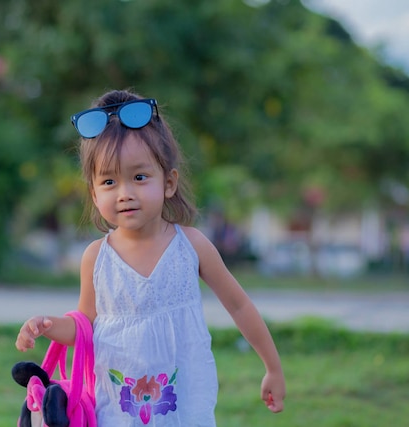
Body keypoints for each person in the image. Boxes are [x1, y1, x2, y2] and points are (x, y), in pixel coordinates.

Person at [16, 89, 286, 426]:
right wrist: (48, 325)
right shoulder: (96, 258)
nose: (125, 193)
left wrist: (272, 367)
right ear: (94, 193)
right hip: (117, 410)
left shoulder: (192, 246)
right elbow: (84, 328)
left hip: (184, 408)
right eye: (109, 181)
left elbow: (239, 305)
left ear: (169, 182)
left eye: (140, 177)